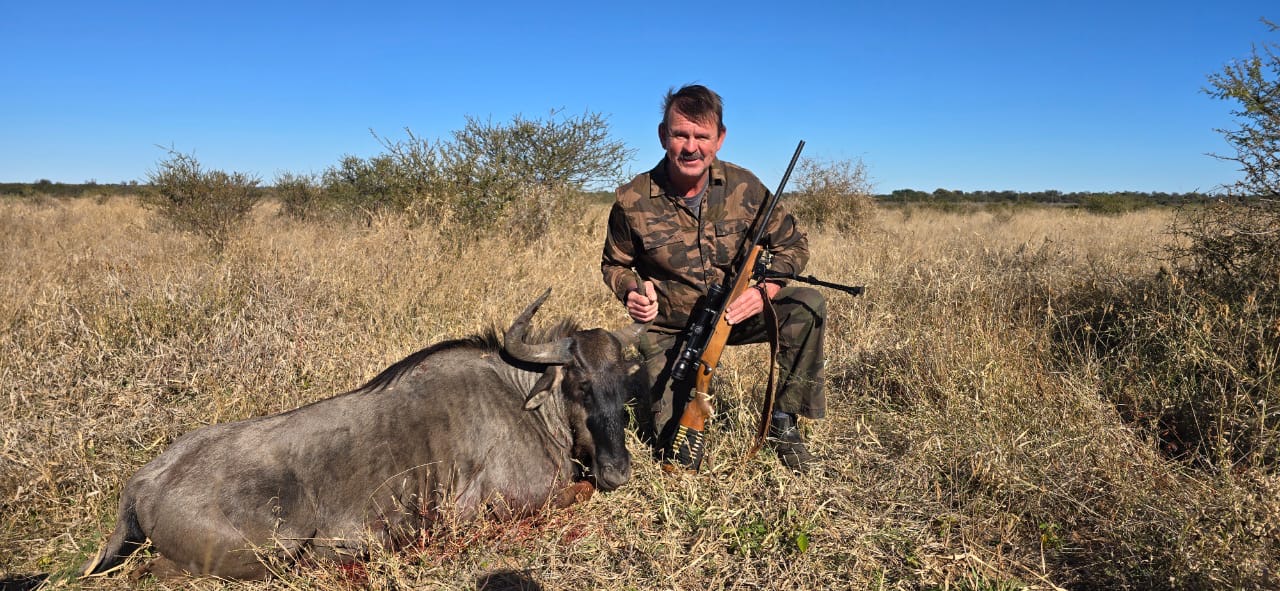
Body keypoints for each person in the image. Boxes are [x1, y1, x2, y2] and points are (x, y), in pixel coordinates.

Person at [600, 84, 827, 472]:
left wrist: (766, 290)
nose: (691, 147)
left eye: (702, 136)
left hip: (735, 315)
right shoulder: (631, 199)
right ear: (663, 136)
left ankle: (783, 422)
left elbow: (794, 246)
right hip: (671, 331)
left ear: (719, 139)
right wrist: (632, 292)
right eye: (680, 135)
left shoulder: (747, 187)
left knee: (808, 305)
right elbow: (614, 264)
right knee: (676, 455)